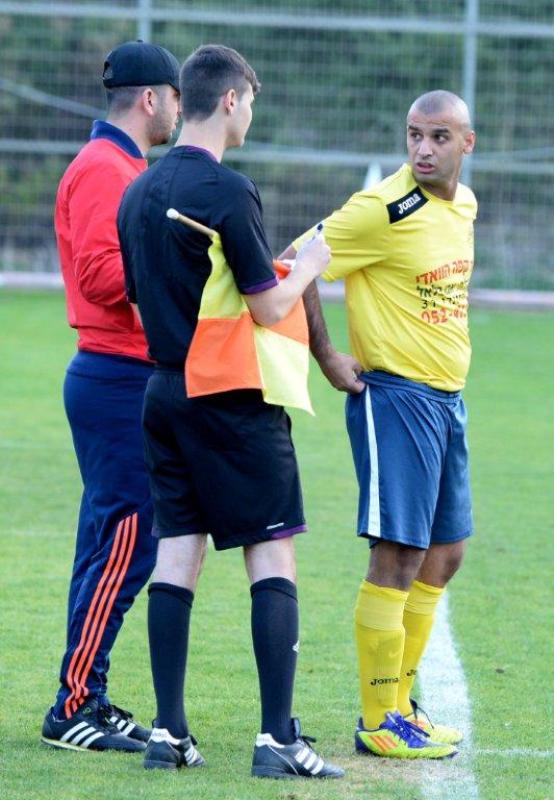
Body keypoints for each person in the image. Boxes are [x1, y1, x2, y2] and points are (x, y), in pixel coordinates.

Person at [117, 44, 344, 779]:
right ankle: (277, 739)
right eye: (250, 102)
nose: (251, 114)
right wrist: (310, 265)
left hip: (162, 393)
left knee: (176, 551)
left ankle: (168, 733)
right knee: (271, 552)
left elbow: (140, 298)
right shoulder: (226, 189)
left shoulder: (136, 192)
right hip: (231, 398)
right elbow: (268, 304)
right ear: (230, 100)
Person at [283, 90, 477, 759]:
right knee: (396, 554)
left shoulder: (465, 204)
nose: (424, 149)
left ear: (467, 143)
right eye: (414, 135)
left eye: (439, 137)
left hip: (449, 401)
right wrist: (326, 354)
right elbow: (297, 256)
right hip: (395, 399)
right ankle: (379, 719)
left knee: (445, 554)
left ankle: (402, 705)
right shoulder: (383, 208)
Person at [41, 40, 181, 753]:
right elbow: (100, 276)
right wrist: (178, 273)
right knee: (128, 542)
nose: (179, 111)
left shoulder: (122, 165)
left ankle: (85, 694)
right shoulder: (106, 168)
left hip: (120, 375)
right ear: (151, 98)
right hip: (116, 377)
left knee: (110, 543)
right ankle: (73, 706)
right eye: (176, 98)